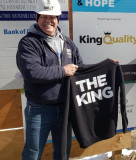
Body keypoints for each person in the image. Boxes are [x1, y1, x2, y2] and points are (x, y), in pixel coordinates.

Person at [16, 0, 84, 159]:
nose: (48, 21)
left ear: (58, 19)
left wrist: (107, 66)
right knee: (32, 154)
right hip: (39, 109)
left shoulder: (67, 42)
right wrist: (63, 71)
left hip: (65, 108)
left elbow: (80, 67)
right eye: (44, 17)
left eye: (52, 17)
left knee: (63, 152)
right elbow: (32, 72)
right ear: (37, 17)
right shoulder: (28, 43)